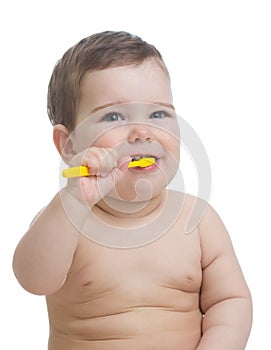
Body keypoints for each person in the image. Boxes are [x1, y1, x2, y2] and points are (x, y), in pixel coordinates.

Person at [13, 31, 252, 350]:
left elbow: (230, 300)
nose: (142, 132)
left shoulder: (198, 221)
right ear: (69, 145)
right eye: (113, 116)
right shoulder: (63, 222)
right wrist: (73, 200)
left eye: (158, 114)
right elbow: (33, 279)